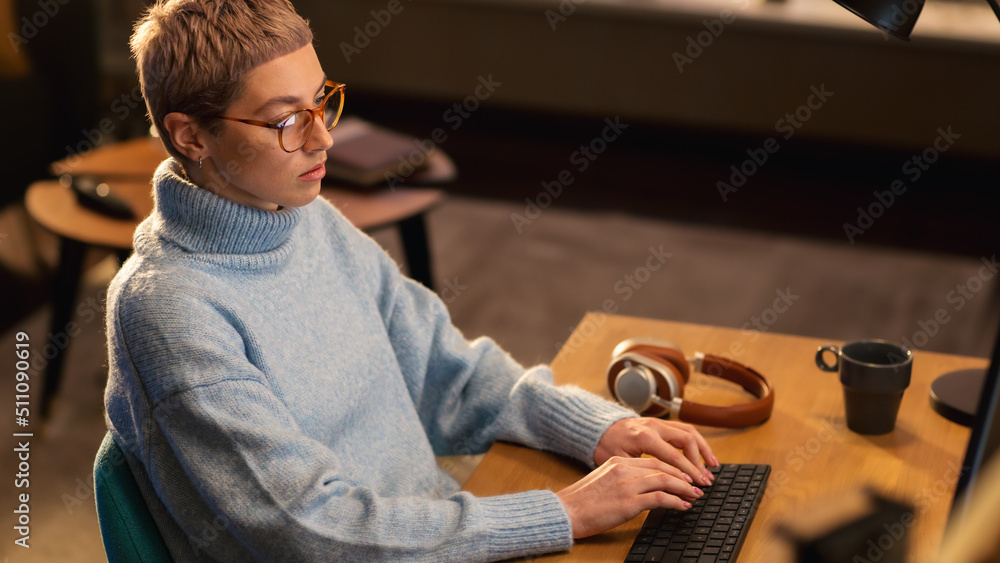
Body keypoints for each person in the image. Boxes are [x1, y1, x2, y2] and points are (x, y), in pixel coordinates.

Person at [103, 0, 720, 560]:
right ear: (191, 136)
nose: (323, 137)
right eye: (286, 120)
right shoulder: (169, 311)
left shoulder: (304, 217)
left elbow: (447, 372)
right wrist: (564, 512)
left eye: (322, 101)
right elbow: (309, 531)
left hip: (430, 531)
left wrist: (603, 427)